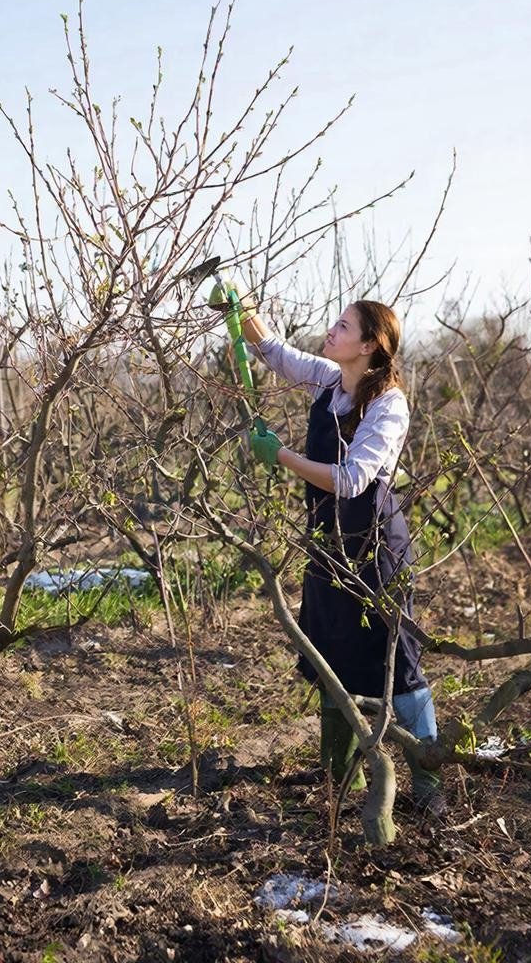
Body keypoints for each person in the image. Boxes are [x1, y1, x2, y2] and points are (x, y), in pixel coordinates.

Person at [212, 282, 445, 815]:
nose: (331, 331)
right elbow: (275, 354)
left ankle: (427, 779)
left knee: (398, 659)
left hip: (373, 546)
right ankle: (341, 777)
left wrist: (281, 456)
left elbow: (351, 479)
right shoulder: (331, 379)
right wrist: (243, 311)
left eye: (343, 326)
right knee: (331, 651)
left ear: (368, 345)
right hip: (326, 542)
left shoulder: (387, 405)